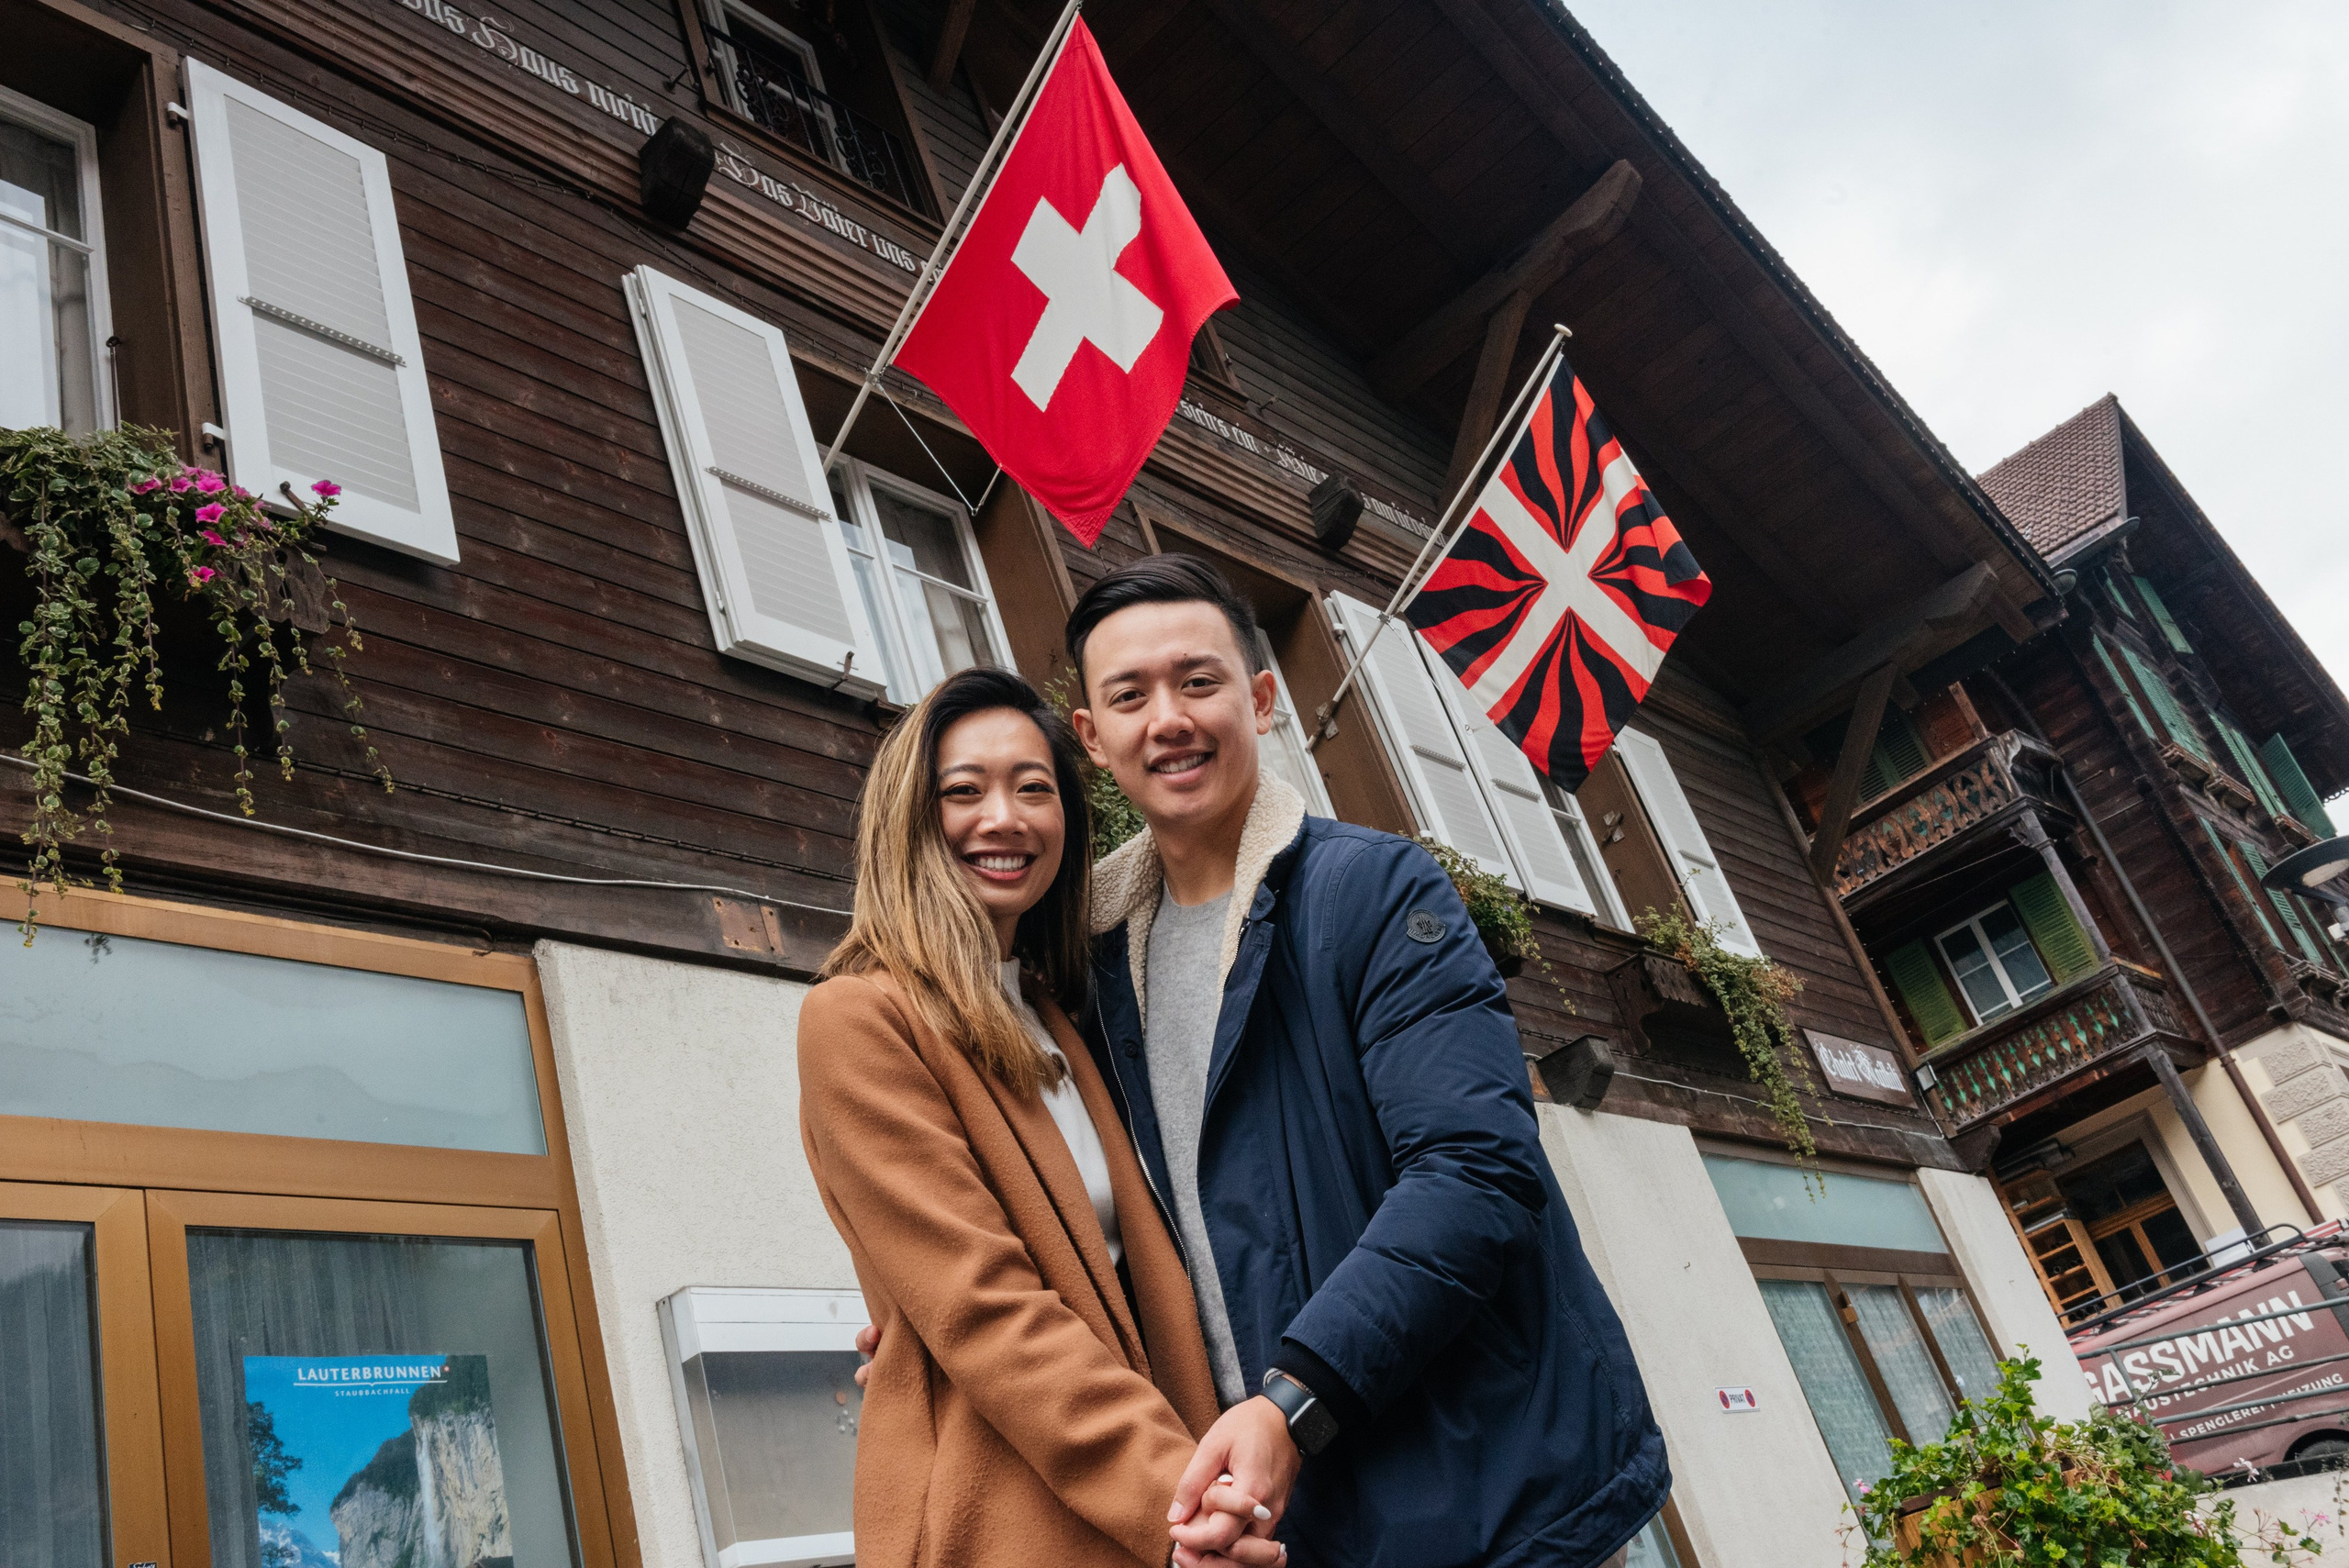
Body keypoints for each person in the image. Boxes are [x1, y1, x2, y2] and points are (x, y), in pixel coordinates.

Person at [1063, 556, 1671, 1567]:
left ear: (1261, 700)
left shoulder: (1375, 891)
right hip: (1283, 1523)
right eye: (1129, 696)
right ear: (1092, 736)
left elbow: (1476, 1170)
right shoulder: (1093, 974)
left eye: (1198, 681)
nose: (1167, 718)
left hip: (1491, 1503)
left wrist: (1293, 1400)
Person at [798, 666, 1288, 1568]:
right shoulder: (858, 1016)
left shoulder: (1053, 1015)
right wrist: (1175, 1500)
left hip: (1150, 1488)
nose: (1005, 817)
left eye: (1034, 788)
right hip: (1011, 1511)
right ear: (910, 817)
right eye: (963, 790)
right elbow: (984, 1306)